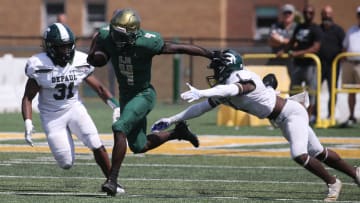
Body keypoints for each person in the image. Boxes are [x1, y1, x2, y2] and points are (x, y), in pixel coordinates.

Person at [151, 49, 360, 202]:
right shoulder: (225, 87)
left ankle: (333, 183)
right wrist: (172, 119)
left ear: (227, 67)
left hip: (291, 113)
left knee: (299, 154)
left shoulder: (242, 78)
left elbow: (233, 90)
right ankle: (355, 173)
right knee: (318, 152)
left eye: (217, 68)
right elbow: (201, 108)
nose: (214, 74)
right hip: (282, 118)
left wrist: (203, 92)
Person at [87, 8, 218, 196]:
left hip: (143, 95)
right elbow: (97, 60)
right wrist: (95, 46)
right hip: (126, 97)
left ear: (132, 34)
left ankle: (112, 180)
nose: (115, 38)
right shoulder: (108, 36)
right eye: (114, 33)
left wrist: (211, 54)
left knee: (119, 127)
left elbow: (178, 48)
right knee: (139, 146)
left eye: (120, 35)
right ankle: (177, 133)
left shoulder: (146, 42)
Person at [21, 23, 123, 194]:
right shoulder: (39, 64)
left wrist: (116, 106)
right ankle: (66, 135)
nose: (67, 51)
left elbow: (99, 89)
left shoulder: (81, 60)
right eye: (62, 47)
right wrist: (28, 122)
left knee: (95, 142)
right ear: (52, 47)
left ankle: (112, 182)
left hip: (74, 108)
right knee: (66, 162)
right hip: (52, 116)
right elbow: (28, 97)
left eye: (69, 46)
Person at [277, 5, 323, 125]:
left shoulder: (316, 29)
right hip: (298, 65)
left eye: (310, 13)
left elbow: (315, 48)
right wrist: (284, 51)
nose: (308, 15)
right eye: (306, 12)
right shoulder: (299, 27)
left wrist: (297, 53)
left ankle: (309, 117)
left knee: (311, 92)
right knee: (294, 91)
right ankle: (294, 116)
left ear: (313, 15)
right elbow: (292, 42)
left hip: (311, 65)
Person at [318, 5, 345, 119]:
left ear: (332, 15)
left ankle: (331, 115)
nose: (327, 16)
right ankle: (314, 115)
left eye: (329, 14)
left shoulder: (338, 30)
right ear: (321, 15)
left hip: (333, 66)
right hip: (318, 65)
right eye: (325, 14)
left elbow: (344, 47)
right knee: (315, 91)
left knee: (332, 91)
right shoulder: (317, 29)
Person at [341, 6, 360, 126]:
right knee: (351, 91)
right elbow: (345, 46)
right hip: (350, 63)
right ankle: (352, 116)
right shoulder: (351, 30)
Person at [267, 4, 297, 68]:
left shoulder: (297, 27)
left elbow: (296, 44)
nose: (287, 14)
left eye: (289, 12)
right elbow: (270, 42)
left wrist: (280, 39)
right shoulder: (275, 26)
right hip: (275, 61)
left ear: (293, 15)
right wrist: (288, 42)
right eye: (285, 12)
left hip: (292, 63)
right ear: (282, 14)